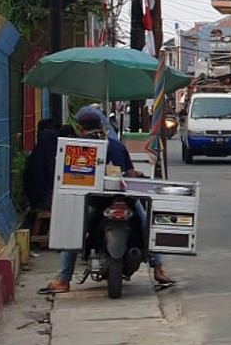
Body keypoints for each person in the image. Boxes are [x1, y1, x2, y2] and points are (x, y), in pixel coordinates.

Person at [40, 109, 174, 294]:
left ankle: (64, 279)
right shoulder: (116, 145)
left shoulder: (78, 147)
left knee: (74, 228)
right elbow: (130, 172)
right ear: (102, 126)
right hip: (125, 199)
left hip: (95, 202)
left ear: (79, 128)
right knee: (147, 223)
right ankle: (158, 268)